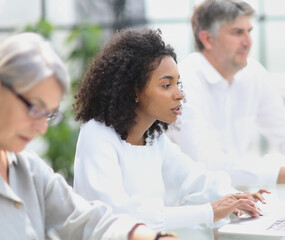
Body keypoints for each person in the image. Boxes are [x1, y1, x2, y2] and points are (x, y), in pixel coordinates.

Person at [73, 28, 269, 239]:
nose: (180, 94)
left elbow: (195, 178)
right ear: (134, 90)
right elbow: (119, 215)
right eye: (166, 85)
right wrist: (210, 211)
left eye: (178, 83)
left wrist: (235, 197)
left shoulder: (153, 138)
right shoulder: (97, 135)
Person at [0, 32, 178, 240]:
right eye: (34, 108)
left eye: (48, 114)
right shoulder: (98, 134)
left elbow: (86, 220)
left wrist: (156, 238)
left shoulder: (29, 171)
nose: (41, 128)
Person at [166, 0, 285, 186]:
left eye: (249, 31)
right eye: (237, 32)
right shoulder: (182, 83)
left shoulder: (253, 73)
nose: (248, 42)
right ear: (207, 39)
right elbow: (204, 163)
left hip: (235, 199)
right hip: (188, 204)